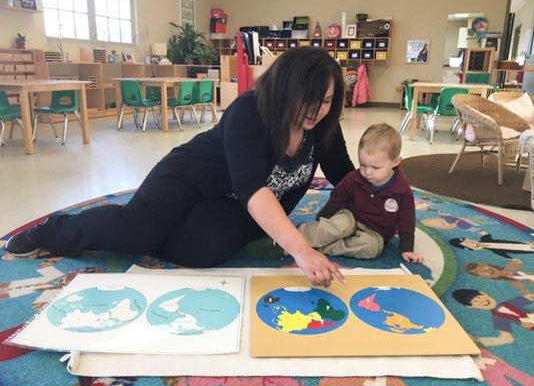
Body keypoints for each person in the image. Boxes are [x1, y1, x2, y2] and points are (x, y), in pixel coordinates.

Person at [5, 47, 355, 288]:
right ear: (284, 90)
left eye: (326, 100)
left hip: (233, 202)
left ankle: (158, 230)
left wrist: (387, 192)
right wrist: (301, 249)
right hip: (190, 177)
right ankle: (56, 229)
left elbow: (345, 176)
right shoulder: (250, 111)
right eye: (308, 99)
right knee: (136, 232)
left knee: (205, 251)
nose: (318, 109)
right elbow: (253, 188)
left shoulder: (322, 124)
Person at [297, 123, 423, 263]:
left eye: (375, 167)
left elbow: (407, 221)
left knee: (372, 248)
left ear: (396, 162)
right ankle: (295, 238)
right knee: (336, 226)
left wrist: (407, 248)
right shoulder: (354, 178)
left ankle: (322, 248)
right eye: (363, 164)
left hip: (374, 233)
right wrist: (324, 219)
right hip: (349, 218)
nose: (368, 172)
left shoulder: (402, 191)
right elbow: (337, 199)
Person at [452, 288, 533, 346]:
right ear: (471, 307)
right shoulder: (498, 319)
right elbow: (507, 338)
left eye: (478, 297)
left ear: (483, 293)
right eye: (475, 301)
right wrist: (478, 340)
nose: (481, 301)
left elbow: (529, 297)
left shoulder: (510, 303)